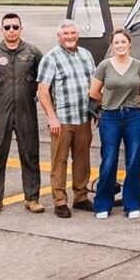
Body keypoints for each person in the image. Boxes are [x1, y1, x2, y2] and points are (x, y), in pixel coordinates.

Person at [0, 13, 45, 216]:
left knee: (30, 154)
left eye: (15, 27)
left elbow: (40, 79)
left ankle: (32, 198)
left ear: (21, 29)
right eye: (7, 27)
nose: (11, 31)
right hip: (0, 112)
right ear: (1, 30)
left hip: (27, 111)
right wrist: (3, 95)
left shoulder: (33, 53)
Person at [89, 29, 140, 219]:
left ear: (129, 44)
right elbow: (93, 92)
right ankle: (103, 203)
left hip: (133, 117)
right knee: (109, 159)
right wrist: (108, 104)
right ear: (112, 45)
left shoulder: (139, 66)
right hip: (110, 117)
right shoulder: (104, 66)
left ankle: (132, 203)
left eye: (123, 42)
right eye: (117, 43)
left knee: (133, 159)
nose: (120, 46)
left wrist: (134, 105)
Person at [37, 19, 97, 218]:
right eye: (66, 34)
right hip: (62, 120)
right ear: (59, 37)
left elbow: (95, 86)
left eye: (73, 33)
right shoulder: (51, 58)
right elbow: (43, 91)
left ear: (77, 35)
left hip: (83, 118)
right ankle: (60, 201)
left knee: (82, 159)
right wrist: (52, 118)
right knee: (59, 161)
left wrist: (97, 110)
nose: (70, 37)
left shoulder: (86, 55)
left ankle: (80, 197)